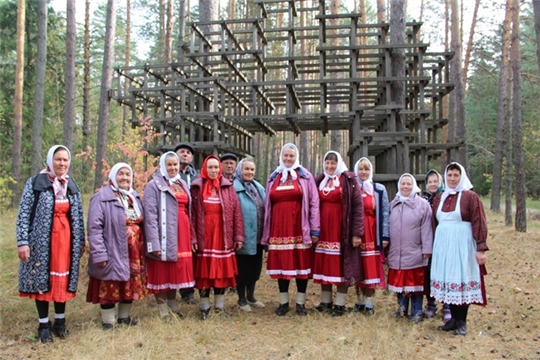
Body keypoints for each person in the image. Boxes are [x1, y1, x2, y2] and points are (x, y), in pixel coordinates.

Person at [16, 145, 85, 343]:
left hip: (65, 240)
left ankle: (60, 322)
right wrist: (23, 242)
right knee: (41, 279)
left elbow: (78, 215)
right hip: (42, 240)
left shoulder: (71, 185)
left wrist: (80, 241)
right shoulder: (35, 183)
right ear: (49, 161)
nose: (62, 163)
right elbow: (23, 214)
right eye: (58, 159)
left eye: (65, 160)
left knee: (62, 280)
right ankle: (44, 324)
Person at [87, 163, 147, 329]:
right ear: (112, 176)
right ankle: (108, 321)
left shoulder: (133, 197)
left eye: (128, 174)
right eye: (121, 174)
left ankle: (124, 317)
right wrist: (99, 253)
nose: (125, 178)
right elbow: (94, 227)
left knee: (128, 282)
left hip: (134, 250)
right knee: (110, 283)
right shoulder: (101, 197)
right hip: (112, 248)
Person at [261, 143, 320, 316]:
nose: (288, 159)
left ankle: (300, 303)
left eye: (291, 156)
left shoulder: (305, 176)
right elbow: (267, 205)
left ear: (296, 158)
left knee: (301, 265)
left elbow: (314, 203)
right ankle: (283, 302)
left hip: (299, 228)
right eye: (285, 156)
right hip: (278, 229)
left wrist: (315, 229)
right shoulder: (274, 177)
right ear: (281, 157)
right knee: (281, 265)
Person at [430, 162, 488, 336]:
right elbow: (434, 222)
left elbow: (479, 221)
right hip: (443, 245)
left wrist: (480, 247)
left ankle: (462, 321)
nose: (453, 178)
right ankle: (453, 319)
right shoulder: (440, 197)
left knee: (461, 278)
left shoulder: (470, 197)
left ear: (461, 176)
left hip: (462, 244)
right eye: (450, 175)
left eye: (456, 175)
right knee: (449, 279)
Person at [190, 155, 244, 320]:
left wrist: (238, 236)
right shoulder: (196, 188)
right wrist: (192, 238)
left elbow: (236, 212)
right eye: (210, 167)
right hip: (204, 235)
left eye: (216, 167)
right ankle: (205, 307)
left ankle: (219, 307)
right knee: (204, 273)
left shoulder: (228, 187)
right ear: (204, 169)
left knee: (220, 272)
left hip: (222, 236)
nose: (213, 171)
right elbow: (191, 215)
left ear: (220, 169)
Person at [313, 151, 364, 316]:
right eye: (327, 163)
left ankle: (340, 304)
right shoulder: (320, 180)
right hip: (323, 229)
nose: (329, 166)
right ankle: (326, 301)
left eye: (333, 163)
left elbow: (358, 207)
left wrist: (357, 233)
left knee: (342, 265)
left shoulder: (348, 180)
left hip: (341, 229)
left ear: (339, 163)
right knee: (325, 264)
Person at [144, 152, 195, 318]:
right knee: (161, 269)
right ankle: (163, 310)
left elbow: (190, 211)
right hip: (163, 232)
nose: (173, 168)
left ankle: (173, 307)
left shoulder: (182, 184)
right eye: (169, 165)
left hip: (182, 232)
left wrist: (192, 236)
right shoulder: (154, 185)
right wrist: (154, 242)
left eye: (175, 164)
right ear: (162, 166)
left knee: (174, 270)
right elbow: (150, 215)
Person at [387, 173, 433, 323]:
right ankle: (401, 309)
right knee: (400, 283)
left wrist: (427, 250)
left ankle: (417, 312)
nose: (405, 187)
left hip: (415, 252)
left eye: (408, 184)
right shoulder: (393, 203)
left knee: (415, 285)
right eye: (403, 184)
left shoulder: (422, 205)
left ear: (414, 186)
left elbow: (427, 229)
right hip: (397, 252)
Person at [352, 157, 389, 315]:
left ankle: (369, 304)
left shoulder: (378, 189)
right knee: (358, 266)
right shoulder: (352, 188)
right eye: (360, 169)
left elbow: (385, 212)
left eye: (366, 169)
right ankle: (360, 301)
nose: (363, 172)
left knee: (370, 267)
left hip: (372, 233)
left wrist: (385, 235)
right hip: (356, 232)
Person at [233, 158, 266, 312]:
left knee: (255, 267)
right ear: (240, 170)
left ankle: (251, 296)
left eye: (252, 169)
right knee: (243, 268)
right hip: (243, 236)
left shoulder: (259, 188)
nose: (249, 172)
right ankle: (241, 299)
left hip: (258, 235)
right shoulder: (234, 187)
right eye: (246, 169)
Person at [421, 169, 450, 321]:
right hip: (428, 240)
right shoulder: (424, 198)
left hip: (443, 239)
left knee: (444, 271)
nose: (432, 184)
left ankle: (447, 304)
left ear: (440, 182)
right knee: (429, 272)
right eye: (430, 181)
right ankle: (431, 303)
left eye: (435, 181)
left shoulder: (446, 197)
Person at [174, 142, 198, 304]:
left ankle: (189, 289)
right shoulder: (168, 175)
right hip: (176, 218)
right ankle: (173, 287)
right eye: (182, 151)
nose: (185, 154)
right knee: (177, 254)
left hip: (194, 218)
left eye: (188, 152)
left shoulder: (196, 176)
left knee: (192, 254)